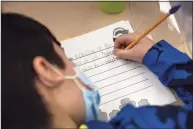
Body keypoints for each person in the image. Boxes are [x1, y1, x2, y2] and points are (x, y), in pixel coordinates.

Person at [2, 12, 192, 129]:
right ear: (47, 70)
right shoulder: (145, 124)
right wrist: (158, 55)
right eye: (67, 58)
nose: (75, 66)